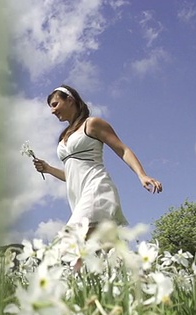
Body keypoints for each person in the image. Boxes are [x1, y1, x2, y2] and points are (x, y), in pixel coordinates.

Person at [33, 84, 163, 235]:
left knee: (71, 240)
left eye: (55, 104)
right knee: (102, 253)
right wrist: (48, 169)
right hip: (78, 198)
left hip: (97, 189)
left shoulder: (92, 124)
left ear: (69, 100)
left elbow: (123, 149)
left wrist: (142, 174)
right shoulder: (63, 138)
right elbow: (73, 175)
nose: (52, 110)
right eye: (51, 107)